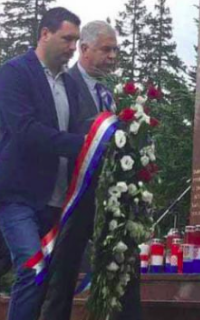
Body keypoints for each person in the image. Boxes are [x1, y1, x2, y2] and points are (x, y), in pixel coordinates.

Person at [0, 7, 86, 320]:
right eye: (67, 38)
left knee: (53, 283)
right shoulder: (14, 73)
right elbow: (25, 130)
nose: (73, 47)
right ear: (45, 34)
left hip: (57, 202)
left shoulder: (71, 85)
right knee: (32, 270)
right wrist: (81, 144)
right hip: (18, 197)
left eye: (77, 40)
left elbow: (79, 134)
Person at [42, 20, 142, 319]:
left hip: (111, 201)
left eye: (116, 49)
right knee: (62, 281)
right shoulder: (64, 85)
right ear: (84, 49)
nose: (113, 56)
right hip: (73, 198)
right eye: (106, 49)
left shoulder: (110, 93)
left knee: (123, 269)